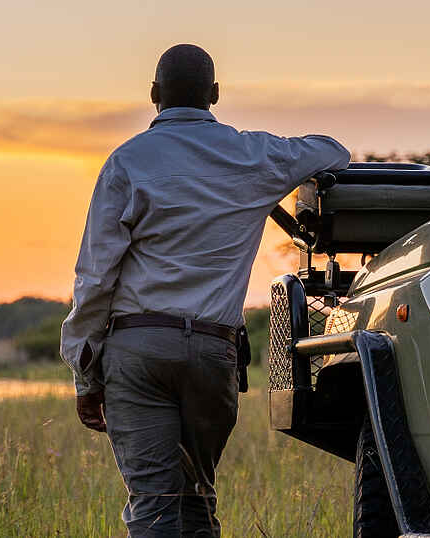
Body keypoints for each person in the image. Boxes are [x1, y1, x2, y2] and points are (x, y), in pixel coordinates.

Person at [59, 43, 349, 537]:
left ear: (153, 94)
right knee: (197, 502)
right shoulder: (255, 155)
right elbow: (333, 150)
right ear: (215, 94)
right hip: (214, 354)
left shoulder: (126, 162)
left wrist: (85, 374)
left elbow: (95, 279)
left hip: (139, 350)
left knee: (154, 505)